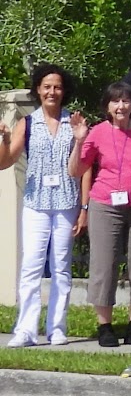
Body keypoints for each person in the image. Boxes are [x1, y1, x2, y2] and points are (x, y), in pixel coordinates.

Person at [71, 81, 131, 347]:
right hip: (105, 204)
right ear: (107, 106)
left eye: (126, 101)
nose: (121, 106)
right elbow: (76, 170)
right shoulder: (96, 132)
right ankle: (105, 326)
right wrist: (79, 141)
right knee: (103, 264)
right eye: (116, 101)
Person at [3, 65, 81, 348]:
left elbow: (83, 167)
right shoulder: (27, 123)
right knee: (31, 267)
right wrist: (3, 139)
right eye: (47, 86)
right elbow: (5, 161)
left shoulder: (73, 123)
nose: (52, 92)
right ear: (38, 89)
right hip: (36, 202)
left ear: (64, 91)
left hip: (65, 203)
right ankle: (25, 329)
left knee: (61, 268)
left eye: (57, 87)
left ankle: (57, 328)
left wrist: (83, 208)